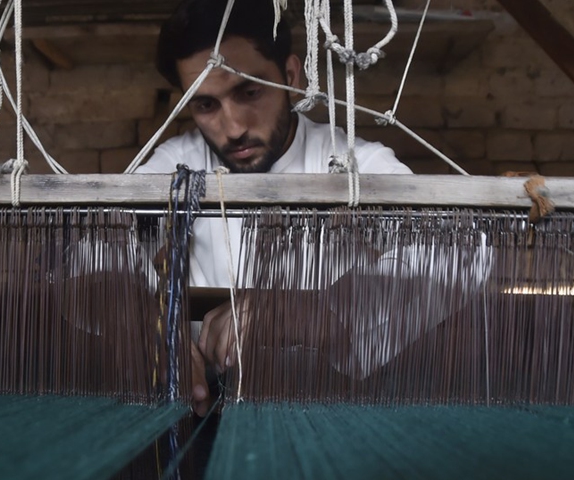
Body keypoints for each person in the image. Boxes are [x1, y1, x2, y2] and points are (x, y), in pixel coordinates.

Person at [136, 0, 416, 416]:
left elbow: (469, 251)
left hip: (334, 411)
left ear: (290, 75)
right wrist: (148, 329)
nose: (233, 128)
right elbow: (84, 256)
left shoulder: (353, 162)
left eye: (249, 91)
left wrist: (315, 313)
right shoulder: (174, 166)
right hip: (210, 408)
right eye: (205, 105)